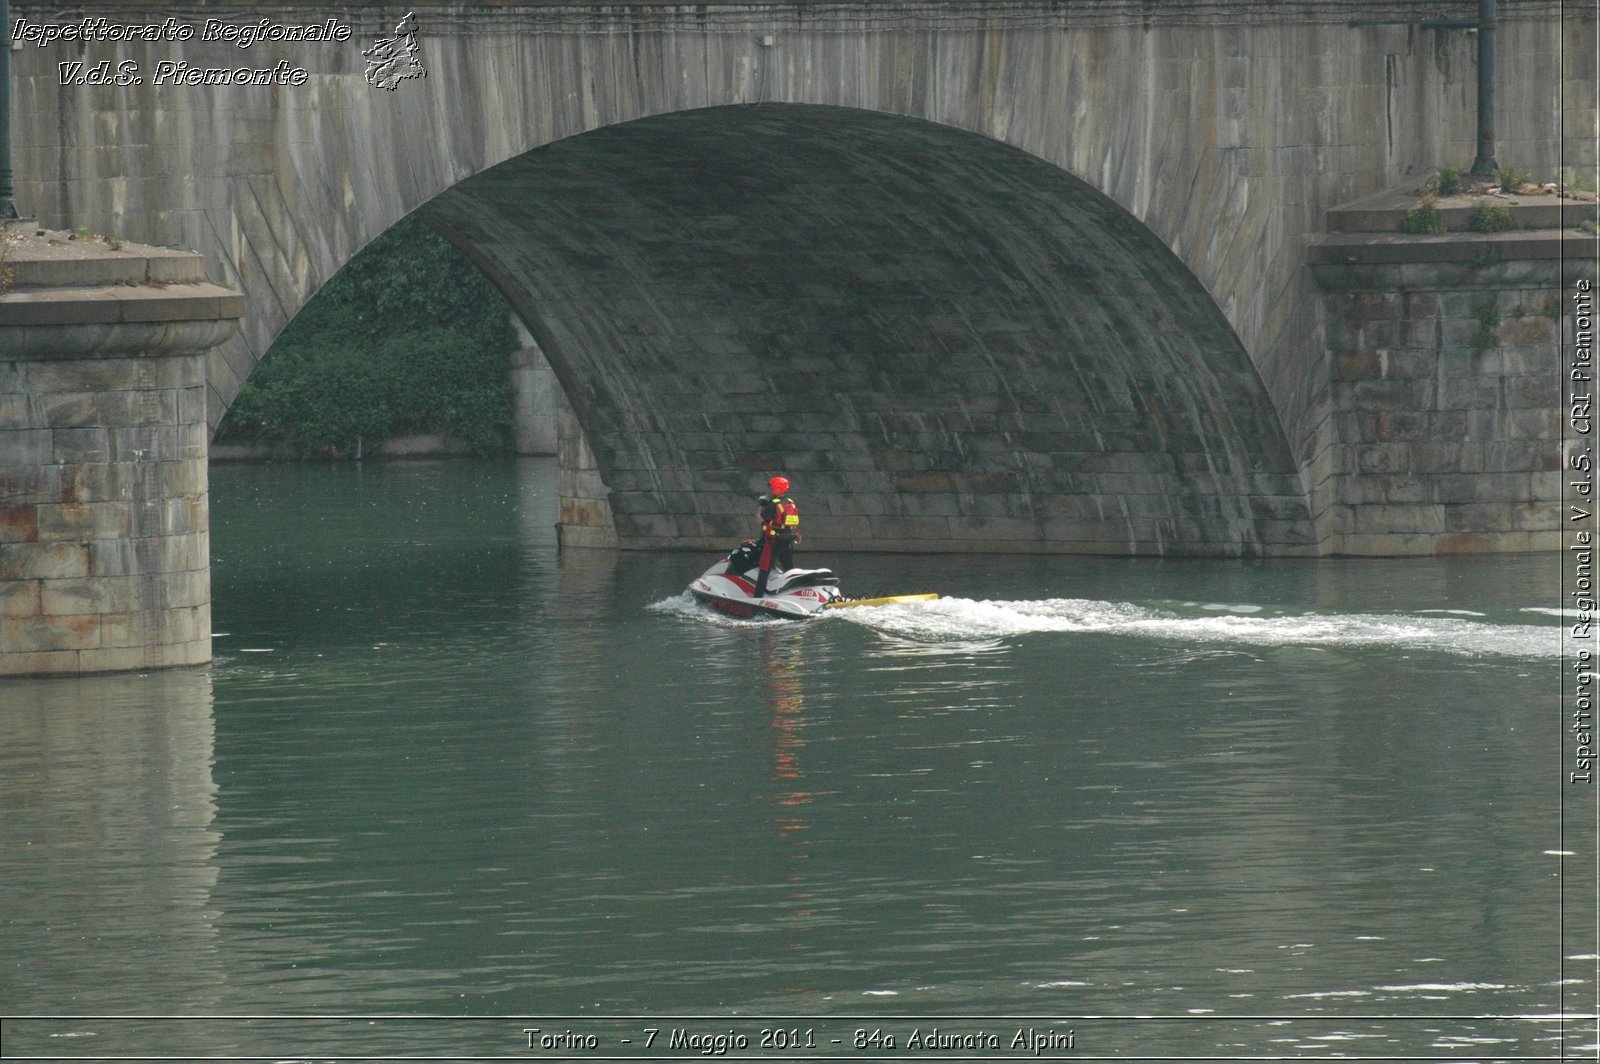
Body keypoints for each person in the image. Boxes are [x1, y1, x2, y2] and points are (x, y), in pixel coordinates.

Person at [753, 475, 800, 597]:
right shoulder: (790, 503)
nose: (770, 490)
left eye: (772, 487)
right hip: (787, 540)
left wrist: (760, 505)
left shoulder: (773, 504)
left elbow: (759, 519)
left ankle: (757, 598)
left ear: (778, 489)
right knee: (790, 569)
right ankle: (798, 593)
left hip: (773, 541)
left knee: (764, 569)